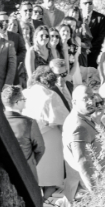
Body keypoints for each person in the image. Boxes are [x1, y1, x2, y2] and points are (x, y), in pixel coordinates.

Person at [23, 66, 70, 194]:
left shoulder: (25, 93)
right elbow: (64, 119)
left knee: (36, 170)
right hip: (50, 135)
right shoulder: (51, 94)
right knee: (50, 175)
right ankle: (46, 200)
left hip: (30, 134)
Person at [62, 84, 101, 193]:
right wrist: (97, 193)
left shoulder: (84, 119)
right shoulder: (78, 126)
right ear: (74, 102)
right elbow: (83, 163)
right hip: (88, 190)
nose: (90, 102)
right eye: (85, 99)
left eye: (92, 97)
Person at [1, 85, 45, 182]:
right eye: (23, 99)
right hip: (27, 173)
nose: (25, 101)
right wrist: (31, 163)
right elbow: (40, 149)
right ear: (17, 102)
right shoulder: (29, 123)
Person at [80, 0, 105, 66]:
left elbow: (102, 35)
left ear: (93, 5)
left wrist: (89, 48)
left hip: (94, 52)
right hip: (79, 51)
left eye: (90, 3)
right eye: (85, 3)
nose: (88, 5)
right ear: (80, 5)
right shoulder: (77, 16)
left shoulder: (100, 17)